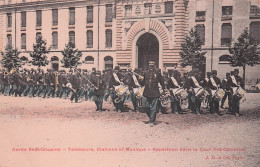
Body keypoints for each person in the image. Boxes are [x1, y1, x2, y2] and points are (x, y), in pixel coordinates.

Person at [140, 61, 166, 127]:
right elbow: (142, 84)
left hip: (155, 92)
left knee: (153, 108)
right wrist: (141, 79)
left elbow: (162, 82)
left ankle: (151, 121)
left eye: (152, 64)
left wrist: (165, 90)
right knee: (144, 106)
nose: (151, 65)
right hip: (146, 92)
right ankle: (152, 118)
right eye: (149, 64)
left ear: (154, 65)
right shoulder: (145, 72)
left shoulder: (157, 72)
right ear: (148, 65)